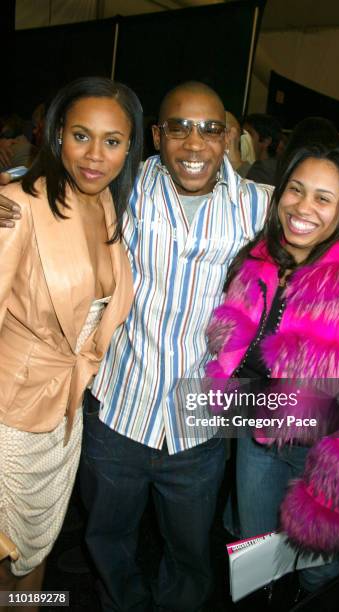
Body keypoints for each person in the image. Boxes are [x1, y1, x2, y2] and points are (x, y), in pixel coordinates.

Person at [0, 82, 339, 612]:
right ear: (156, 136)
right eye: (180, 128)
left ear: (228, 137)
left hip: (198, 423)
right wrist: (14, 182)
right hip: (117, 413)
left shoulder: (258, 204)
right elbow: (54, 181)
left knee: (193, 555)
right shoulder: (123, 190)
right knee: (108, 540)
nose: (194, 144)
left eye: (210, 129)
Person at [205, 145, 339, 596]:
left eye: (323, 199)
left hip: (320, 456)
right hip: (258, 440)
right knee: (257, 555)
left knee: (316, 570)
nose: (303, 207)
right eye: (296, 190)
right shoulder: (259, 258)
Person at [0, 76, 142, 605]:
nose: (95, 155)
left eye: (112, 141)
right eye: (81, 135)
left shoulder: (106, 204)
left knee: (34, 555)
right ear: (57, 134)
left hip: (64, 418)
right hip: (8, 418)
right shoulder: (15, 207)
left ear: (130, 147)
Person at [244, 113, 283, 185]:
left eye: (249, 134)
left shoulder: (262, 170)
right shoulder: (276, 166)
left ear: (266, 141)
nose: (243, 139)